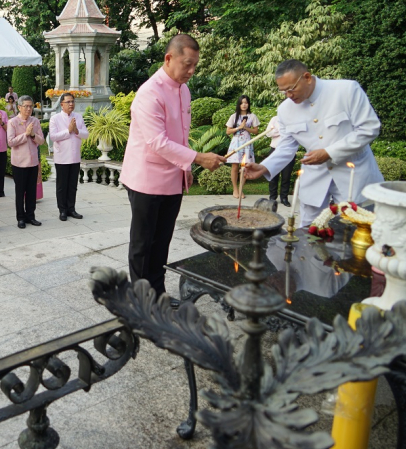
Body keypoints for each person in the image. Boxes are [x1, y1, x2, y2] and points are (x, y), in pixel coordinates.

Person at [119, 34, 224, 297]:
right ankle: (142, 300)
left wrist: (185, 169)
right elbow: (157, 141)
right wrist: (198, 158)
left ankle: (158, 293)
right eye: (187, 64)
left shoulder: (183, 89)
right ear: (169, 58)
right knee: (143, 244)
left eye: (194, 66)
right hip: (147, 178)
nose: (191, 71)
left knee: (162, 241)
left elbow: (181, 135)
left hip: (172, 178)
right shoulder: (149, 93)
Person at [244, 59, 384, 226]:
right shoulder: (285, 110)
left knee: (353, 231)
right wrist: (265, 167)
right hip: (315, 179)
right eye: (284, 91)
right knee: (308, 232)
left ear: (307, 77)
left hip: (353, 175)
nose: (289, 95)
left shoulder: (346, 90)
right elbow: (287, 146)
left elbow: (369, 128)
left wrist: (329, 153)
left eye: (291, 89)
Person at [49, 92, 89, 221]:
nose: (71, 104)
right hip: (62, 157)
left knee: (73, 185)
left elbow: (86, 134)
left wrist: (76, 130)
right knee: (62, 186)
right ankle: (62, 210)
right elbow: (53, 136)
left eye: (72, 101)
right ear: (62, 104)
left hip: (75, 156)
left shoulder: (78, 116)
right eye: (68, 102)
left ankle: (71, 208)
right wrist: (68, 130)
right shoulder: (55, 118)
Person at [7, 95, 45, 228]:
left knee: (31, 191)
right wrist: (26, 134)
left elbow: (42, 141)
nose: (29, 109)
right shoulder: (12, 122)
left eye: (31, 106)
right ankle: (20, 218)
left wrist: (33, 135)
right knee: (20, 191)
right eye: (26, 106)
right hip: (19, 163)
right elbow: (11, 142)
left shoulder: (35, 121)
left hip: (33, 162)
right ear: (19, 107)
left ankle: (31, 216)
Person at [225, 95, 259, 199]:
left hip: (247, 143)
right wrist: (238, 128)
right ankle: (235, 189)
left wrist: (246, 128)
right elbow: (228, 131)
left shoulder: (252, 116)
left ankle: (241, 190)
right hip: (236, 143)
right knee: (235, 166)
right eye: (242, 103)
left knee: (245, 167)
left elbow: (256, 131)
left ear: (248, 104)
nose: (244, 105)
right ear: (239, 104)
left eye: (246, 103)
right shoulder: (234, 116)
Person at [264, 115, 296, 207]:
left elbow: (294, 134)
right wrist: (280, 131)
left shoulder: (293, 119)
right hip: (275, 149)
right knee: (273, 175)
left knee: (286, 176)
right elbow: (268, 133)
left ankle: (284, 198)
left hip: (288, 151)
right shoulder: (275, 119)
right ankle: (272, 197)